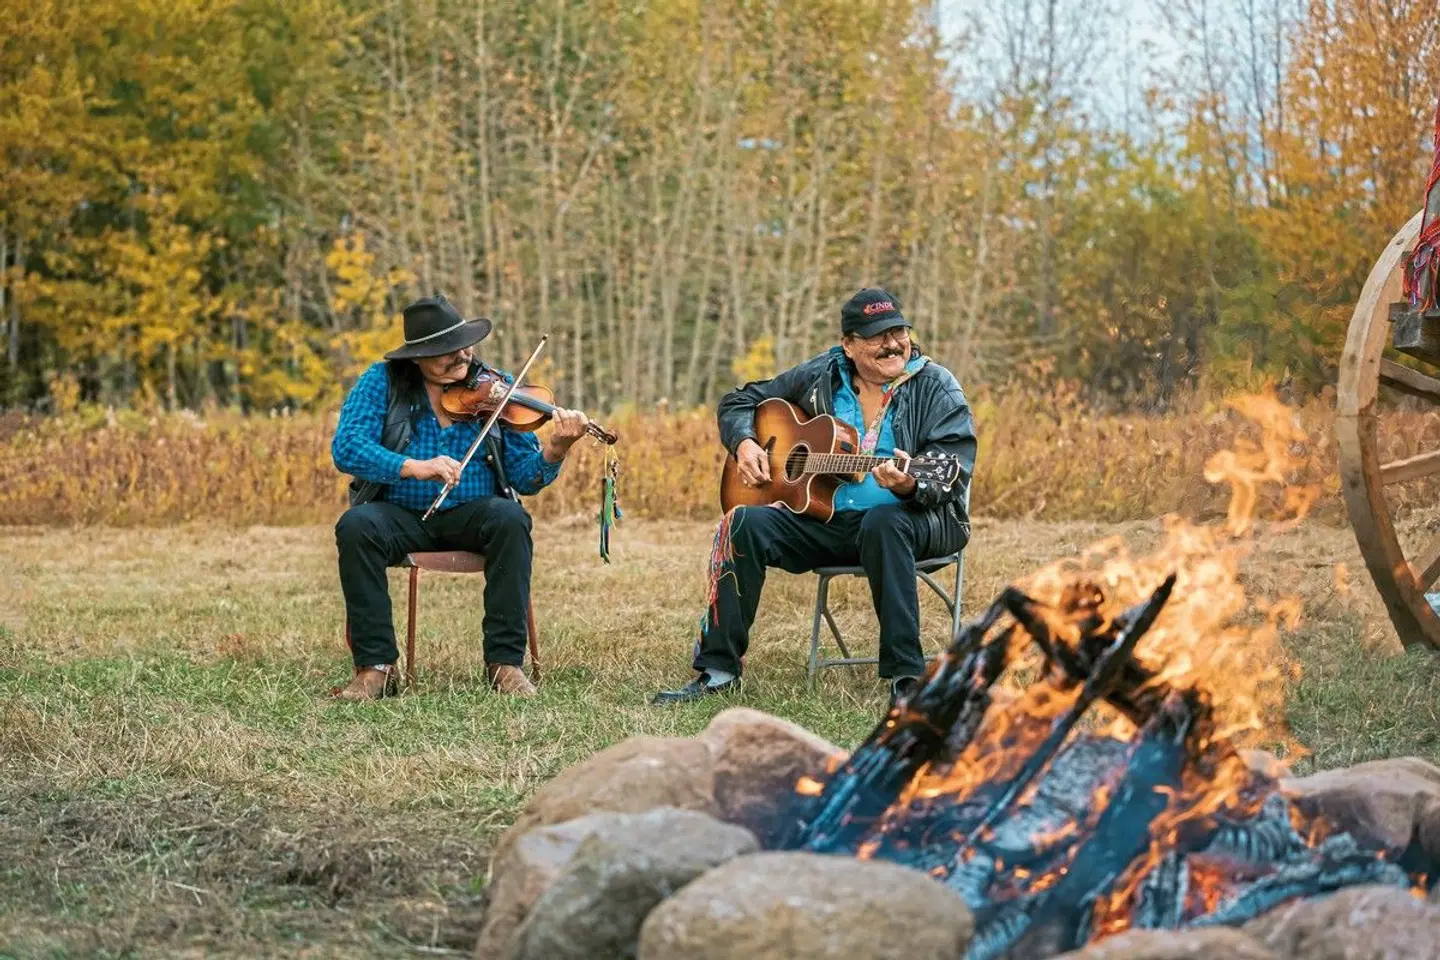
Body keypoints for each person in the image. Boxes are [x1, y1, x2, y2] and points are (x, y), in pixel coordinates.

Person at [652, 288, 977, 707]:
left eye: (898, 331)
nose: (893, 343)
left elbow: (953, 462)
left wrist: (910, 484)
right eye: (878, 336)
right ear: (849, 344)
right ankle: (718, 670)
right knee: (743, 523)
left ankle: (906, 679)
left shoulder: (935, 384)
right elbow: (740, 400)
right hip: (826, 521)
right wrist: (746, 444)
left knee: (884, 522)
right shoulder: (824, 373)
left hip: (914, 521)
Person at [330, 294, 589, 701]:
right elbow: (347, 448)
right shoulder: (381, 382)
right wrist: (412, 466)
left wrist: (556, 448)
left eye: (464, 345)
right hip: (400, 514)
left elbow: (525, 477)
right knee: (356, 526)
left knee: (510, 518)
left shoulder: (497, 388)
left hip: (471, 514)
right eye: (444, 352)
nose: (461, 356)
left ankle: (505, 664)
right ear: (416, 357)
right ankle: (374, 668)